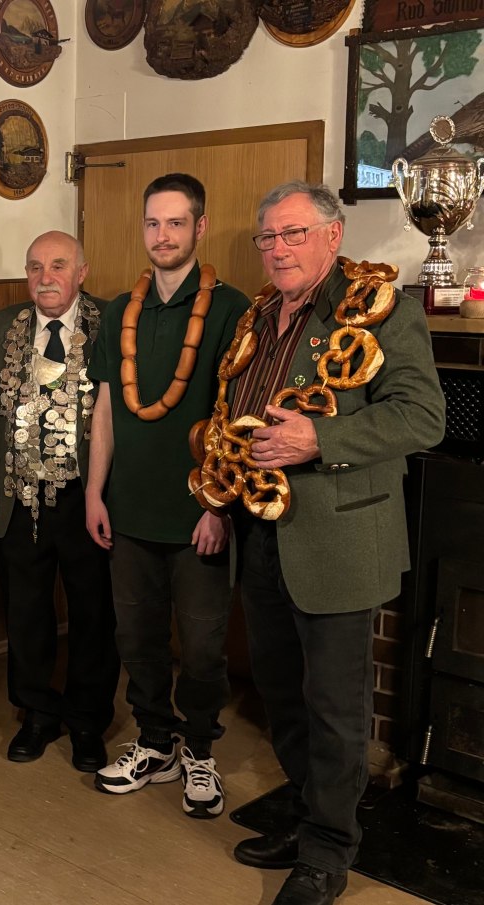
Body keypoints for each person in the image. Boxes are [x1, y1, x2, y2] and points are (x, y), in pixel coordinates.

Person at [223, 182, 444, 905]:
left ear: (333, 235)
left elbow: (423, 417)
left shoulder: (386, 312)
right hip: (261, 531)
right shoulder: (261, 315)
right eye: (268, 236)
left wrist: (321, 438)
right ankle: (304, 812)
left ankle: (327, 852)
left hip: (340, 540)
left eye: (294, 233)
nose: (278, 248)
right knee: (281, 695)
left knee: (335, 708)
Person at [86, 174, 250, 817]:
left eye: (176, 223)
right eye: (153, 223)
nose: (163, 235)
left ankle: (200, 750)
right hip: (128, 511)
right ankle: (155, 743)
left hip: (197, 515)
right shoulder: (119, 313)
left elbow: (236, 416)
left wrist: (218, 507)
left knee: (204, 647)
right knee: (138, 638)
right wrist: (95, 492)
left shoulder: (231, 309)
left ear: (199, 228)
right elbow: (105, 407)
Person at [0, 230, 120, 773]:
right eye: (35, 267)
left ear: (82, 272)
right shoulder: (0, 325)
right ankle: (35, 712)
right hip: (19, 495)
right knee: (26, 610)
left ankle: (87, 720)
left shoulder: (111, 321)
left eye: (58, 266)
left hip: (87, 497)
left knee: (93, 612)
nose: (46, 278)